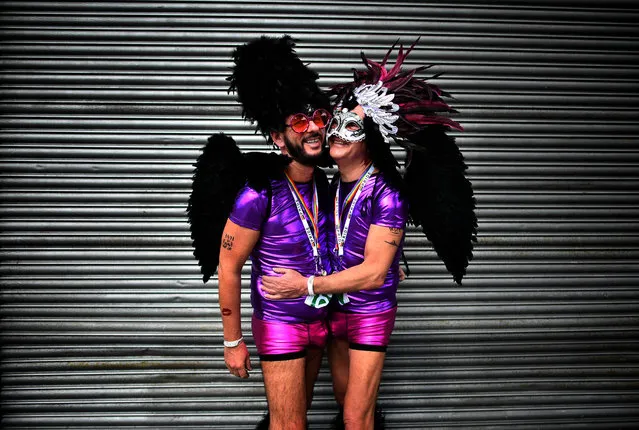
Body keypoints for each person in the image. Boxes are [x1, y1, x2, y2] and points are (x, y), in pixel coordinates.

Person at [261, 39, 477, 430]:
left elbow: (376, 272)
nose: (338, 133)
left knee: (356, 416)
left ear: (371, 137)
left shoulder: (388, 192)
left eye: (353, 127)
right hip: (333, 310)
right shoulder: (327, 184)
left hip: (368, 311)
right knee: (337, 403)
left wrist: (306, 285)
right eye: (337, 122)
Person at [187, 35, 334, 430]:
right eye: (299, 122)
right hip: (280, 323)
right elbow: (229, 265)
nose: (313, 128)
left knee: (290, 419)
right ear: (277, 138)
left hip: (323, 318)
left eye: (319, 118)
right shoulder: (258, 193)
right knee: (289, 427)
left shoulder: (330, 187)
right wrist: (232, 341)